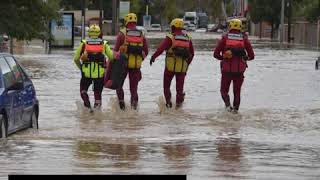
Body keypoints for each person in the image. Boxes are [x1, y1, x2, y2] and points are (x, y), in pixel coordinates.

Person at [150, 18, 194, 109]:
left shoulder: (170, 37)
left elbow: (160, 49)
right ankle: (178, 107)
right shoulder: (188, 38)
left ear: (173, 27)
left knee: (166, 87)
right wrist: (187, 65)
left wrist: (153, 57)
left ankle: (169, 104)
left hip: (169, 67)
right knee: (179, 89)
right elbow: (192, 54)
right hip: (182, 68)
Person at [213, 18, 254, 114]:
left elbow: (215, 54)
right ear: (240, 27)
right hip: (239, 72)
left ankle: (228, 106)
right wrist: (245, 58)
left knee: (224, 91)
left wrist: (223, 58)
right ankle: (235, 112)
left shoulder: (225, 38)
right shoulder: (244, 39)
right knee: (237, 93)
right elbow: (252, 56)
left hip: (226, 71)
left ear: (230, 26)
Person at [73, 24, 114, 111]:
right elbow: (111, 58)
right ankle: (97, 114)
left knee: (83, 90)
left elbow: (76, 59)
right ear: (99, 33)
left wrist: (81, 68)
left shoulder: (84, 44)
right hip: (100, 74)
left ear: (89, 33)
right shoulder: (104, 44)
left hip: (86, 73)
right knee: (98, 94)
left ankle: (87, 104)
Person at [113, 13, 149, 110]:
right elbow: (146, 51)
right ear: (135, 22)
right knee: (134, 89)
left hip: (122, 65)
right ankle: (134, 110)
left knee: (119, 85)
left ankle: (121, 104)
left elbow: (115, 51)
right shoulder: (141, 35)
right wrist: (140, 60)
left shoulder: (122, 34)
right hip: (136, 66)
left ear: (126, 22)